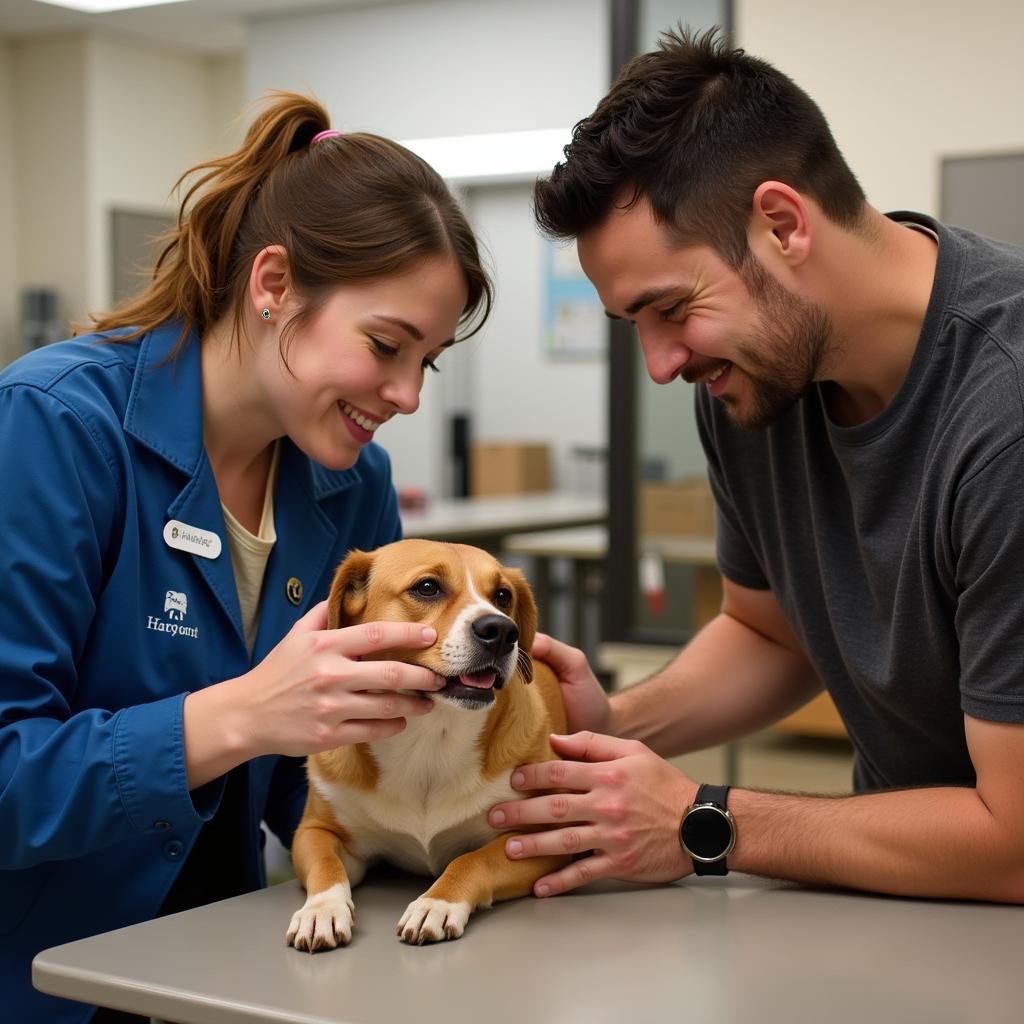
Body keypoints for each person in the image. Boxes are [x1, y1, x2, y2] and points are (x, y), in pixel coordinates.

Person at [488, 27, 1024, 904]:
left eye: (671, 309)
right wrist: (619, 726)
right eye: (636, 328)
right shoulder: (754, 388)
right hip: (911, 899)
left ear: (782, 224)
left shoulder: (1005, 415)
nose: (661, 365)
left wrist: (706, 819)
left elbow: (1016, 841)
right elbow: (771, 633)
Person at [0, 92, 492, 1023]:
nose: (406, 395)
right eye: (386, 346)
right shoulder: (53, 427)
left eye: (425, 362)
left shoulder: (351, 485)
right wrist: (234, 716)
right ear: (274, 284)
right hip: (46, 979)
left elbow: (325, 779)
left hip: (218, 965)